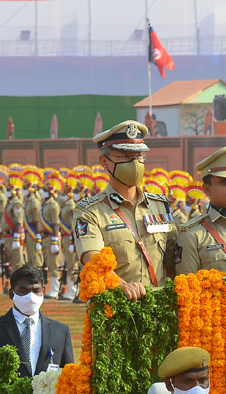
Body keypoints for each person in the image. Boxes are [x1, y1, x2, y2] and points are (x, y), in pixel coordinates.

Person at [76, 121, 177, 300]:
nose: (134, 163)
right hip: (118, 312)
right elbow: (92, 259)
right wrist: (123, 286)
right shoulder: (90, 212)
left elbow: (172, 262)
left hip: (159, 314)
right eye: (124, 156)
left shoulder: (159, 205)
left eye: (138, 156)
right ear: (104, 162)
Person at [0, 266, 74, 378]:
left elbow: (68, 377)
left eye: (36, 291)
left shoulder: (60, 331)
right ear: (11, 294)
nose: (31, 297)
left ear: (43, 292)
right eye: (23, 291)